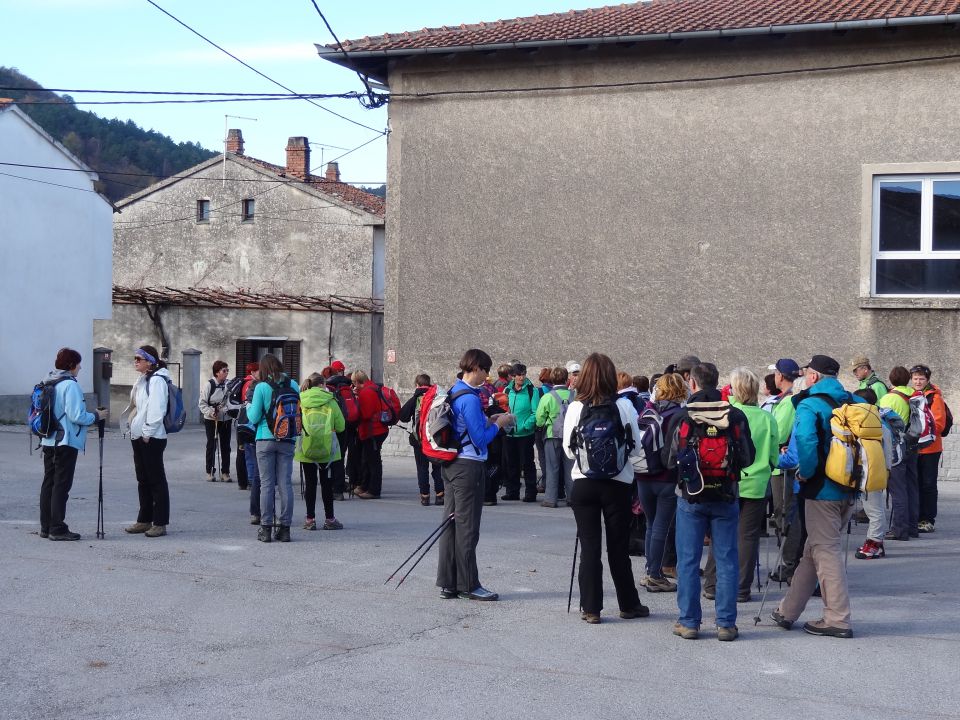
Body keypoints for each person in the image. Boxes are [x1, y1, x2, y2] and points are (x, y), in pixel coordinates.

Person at [772, 355, 860, 638]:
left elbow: (807, 442)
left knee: (826, 553)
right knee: (814, 550)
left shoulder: (810, 404)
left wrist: (805, 473)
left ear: (813, 377)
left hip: (822, 491)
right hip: (849, 487)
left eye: (808, 372)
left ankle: (838, 618)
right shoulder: (854, 402)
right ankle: (788, 610)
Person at [668, 363, 754, 641]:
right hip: (726, 494)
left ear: (692, 383)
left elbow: (669, 460)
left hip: (691, 497)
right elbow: (747, 457)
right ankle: (726, 624)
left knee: (689, 560)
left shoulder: (684, 416)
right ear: (717, 383)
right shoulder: (736, 415)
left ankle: (689, 622)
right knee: (727, 559)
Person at [562, 353, 649, 624]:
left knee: (589, 546)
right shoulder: (624, 407)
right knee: (618, 547)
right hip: (617, 484)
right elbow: (635, 446)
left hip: (584, 484)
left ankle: (591, 608)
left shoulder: (576, 407)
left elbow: (568, 449)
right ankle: (628, 604)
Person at [437, 349, 515, 601]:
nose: (487, 376)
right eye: (485, 370)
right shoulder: (470, 397)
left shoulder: (454, 390)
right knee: (467, 527)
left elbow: (467, 428)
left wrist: (490, 419)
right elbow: (480, 440)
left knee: (450, 524)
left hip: (451, 464)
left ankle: (449, 583)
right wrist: (499, 425)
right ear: (477, 367)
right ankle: (469, 584)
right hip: (468, 466)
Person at [702, 368, 778, 603]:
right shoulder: (768, 418)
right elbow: (774, 454)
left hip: (729, 481)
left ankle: (712, 583)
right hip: (757, 483)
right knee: (748, 537)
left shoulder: (727, 415)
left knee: (721, 533)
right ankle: (741, 588)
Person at [38, 347, 108, 541]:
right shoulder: (70, 385)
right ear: (71, 365)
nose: (80, 367)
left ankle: (46, 526)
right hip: (66, 441)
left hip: (49, 439)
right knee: (61, 485)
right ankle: (57, 528)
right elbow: (76, 415)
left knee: (49, 483)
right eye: (78, 364)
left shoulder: (49, 381)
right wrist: (96, 415)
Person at [636, 373, 686, 592]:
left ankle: (649, 570)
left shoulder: (649, 410)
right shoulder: (680, 414)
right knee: (661, 526)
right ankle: (655, 574)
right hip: (666, 476)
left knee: (650, 524)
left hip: (643, 474)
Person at [246, 353, 299, 542]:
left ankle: (266, 528)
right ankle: (285, 529)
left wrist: (248, 406)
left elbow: (253, 417)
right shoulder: (293, 384)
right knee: (285, 483)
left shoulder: (261, 387)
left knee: (266, 484)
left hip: (265, 438)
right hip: (287, 438)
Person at [121, 345, 171, 538]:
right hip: (139, 435)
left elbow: (157, 409)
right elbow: (137, 406)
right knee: (143, 480)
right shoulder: (143, 379)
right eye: (135, 358)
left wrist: (148, 432)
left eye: (139, 359)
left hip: (152, 437)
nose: (135, 361)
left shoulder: (157, 380)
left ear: (149, 361)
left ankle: (160, 522)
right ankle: (144, 520)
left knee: (156, 480)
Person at [763, 358, 802, 583]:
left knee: (785, 515)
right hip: (781, 464)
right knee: (783, 515)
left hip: (782, 467)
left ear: (780, 376)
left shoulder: (787, 403)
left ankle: (789, 565)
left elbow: (777, 432)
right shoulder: (784, 400)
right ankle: (789, 562)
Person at [295, 373, 346, 531]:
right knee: (326, 484)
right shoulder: (330, 400)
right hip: (327, 448)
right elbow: (341, 426)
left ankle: (310, 520)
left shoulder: (301, 399)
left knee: (310, 484)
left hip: (306, 447)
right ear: (322, 384)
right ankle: (329, 519)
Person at [878, 366, 918, 544]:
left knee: (897, 489)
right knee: (911, 487)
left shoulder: (889, 398)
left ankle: (899, 529)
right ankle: (912, 526)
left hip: (895, 447)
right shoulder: (915, 395)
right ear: (908, 379)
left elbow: (881, 421)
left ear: (891, 379)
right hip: (912, 444)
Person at [910, 364, 948, 534]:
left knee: (928, 485)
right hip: (914, 448)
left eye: (921, 379)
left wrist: (921, 433)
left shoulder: (935, 398)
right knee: (915, 484)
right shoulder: (911, 395)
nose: (918, 381)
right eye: (915, 378)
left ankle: (927, 519)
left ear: (927, 380)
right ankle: (916, 516)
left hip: (930, 449)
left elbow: (939, 424)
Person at [399, 373, 444, 506]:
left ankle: (425, 496)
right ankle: (440, 495)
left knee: (422, 468)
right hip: (436, 438)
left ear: (417, 385)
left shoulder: (416, 398)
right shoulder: (436, 397)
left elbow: (403, 416)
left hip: (419, 440)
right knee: (437, 467)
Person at [534, 366, 574, 508]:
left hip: (552, 434)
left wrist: (541, 425)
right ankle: (572, 497)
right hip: (570, 436)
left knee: (552, 467)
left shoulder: (548, 397)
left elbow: (539, 417)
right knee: (570, 468)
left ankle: (551, 499)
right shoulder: (573, 395)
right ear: (566, 379)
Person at [502, 362, 541, 502]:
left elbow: (535, 412)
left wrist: (525, 425)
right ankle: (512, 491)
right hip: (509, 433)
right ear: (513, 376)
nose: (521, 377)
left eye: (523, 374)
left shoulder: (532, 391)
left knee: (527, 464)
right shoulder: (507, 390)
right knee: (511, 464)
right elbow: (503, 409)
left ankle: (531, 493)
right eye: (518, 375)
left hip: (525, 434)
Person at [354, 369, 390, 499]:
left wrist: (356, 409)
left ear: (358, 381)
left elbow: (367, 414)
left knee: (373, 461)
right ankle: (366, 486)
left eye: (354, 383)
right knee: (369, 459)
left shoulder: (366, 392)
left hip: (372, 431)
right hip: (378, 429)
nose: (354, 386)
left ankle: (374, 490)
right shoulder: (373, 388)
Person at [199, 360, 233, 482]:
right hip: (211, 419)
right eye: (224, 371)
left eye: (227, 370)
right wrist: (210, 412)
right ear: (217, 372)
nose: (226, 373)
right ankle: (210, 471)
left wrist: (227, 410)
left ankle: (225, 472)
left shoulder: (228, 385)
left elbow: (231, 401)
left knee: (226, 446)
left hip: (225, 418)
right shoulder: (209, 385)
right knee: (211, 445)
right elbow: (202, 403)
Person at [325, 360, 355, 500]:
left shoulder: (329, 388)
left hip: (332, 428)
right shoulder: (348, 386)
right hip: (347, 426)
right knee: (340, 457)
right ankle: (339, 488)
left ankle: (332, 488)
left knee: (330, 458)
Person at [240, 363, 263, 525]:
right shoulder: (261, 386)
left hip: (254, 433)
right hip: (268, 434)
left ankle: (256, 512)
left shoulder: (251, 386)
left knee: (258, 475)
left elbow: (252, 414)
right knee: (269, 477)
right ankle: (272, 514)